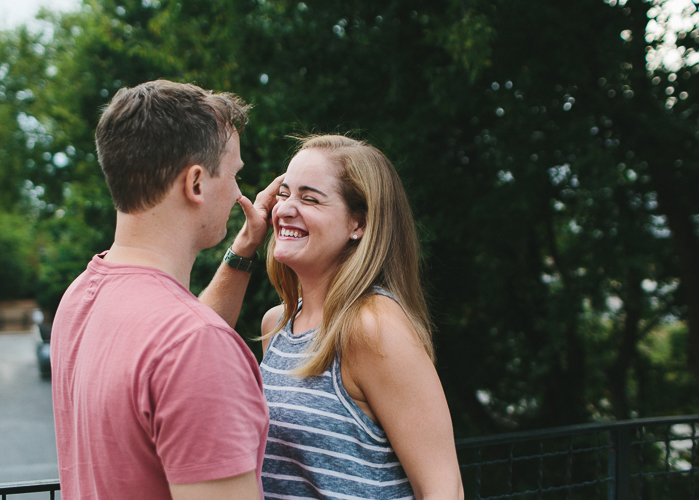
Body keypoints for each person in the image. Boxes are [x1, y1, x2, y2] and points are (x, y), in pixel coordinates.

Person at [51, 80, 283, 500]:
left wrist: (243, 250)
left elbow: (172, 344)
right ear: (196, 184)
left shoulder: (81, 295)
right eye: (234, 175)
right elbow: (190, 347)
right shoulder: (193, 345)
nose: (237, 193)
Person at [258, 135, 464, 498]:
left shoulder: (373, 326)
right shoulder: (277, 325)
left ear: (359, 225)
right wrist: (244, 245)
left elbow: (443, 488)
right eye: (285, 193)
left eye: (309, 198)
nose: (286, 209)